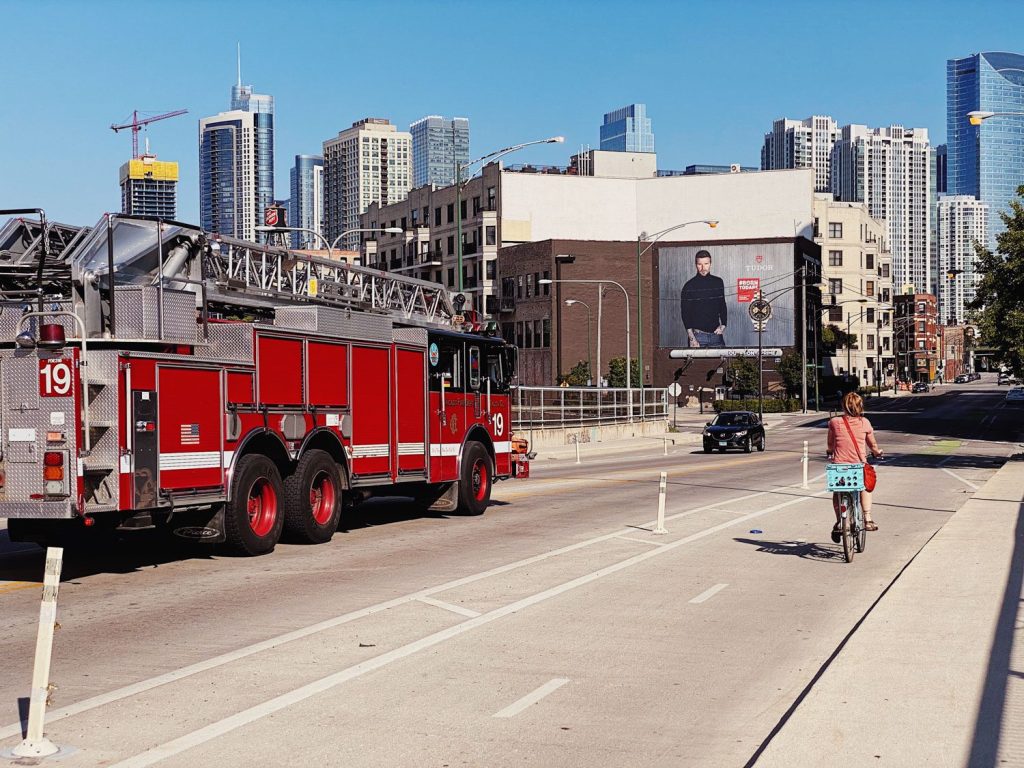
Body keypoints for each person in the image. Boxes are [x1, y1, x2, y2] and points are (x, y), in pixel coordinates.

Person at [826, 391, 883, 541]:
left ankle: (839, 521)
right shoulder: (865, 422)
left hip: (839, 466)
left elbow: (830, 444)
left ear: (843, 406)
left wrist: (830, 451)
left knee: (837, 492)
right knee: (865, 486)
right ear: (860, 406)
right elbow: (873, 444)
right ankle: (868, 518)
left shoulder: (834, 422)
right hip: (858, 465)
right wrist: (877, 452)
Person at [680, 249, 727, 347]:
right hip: (698, 337)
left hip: (716, 335)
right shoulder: (689, 286)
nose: (703, 268)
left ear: (710, 263)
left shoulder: (718, 282)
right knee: (698, 363)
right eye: (699, 264)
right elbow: (685, 313)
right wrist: (692, 338)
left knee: (722, 362)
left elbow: (722, 304)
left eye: (706, 263)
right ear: (695, 264)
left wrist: (723, 325)